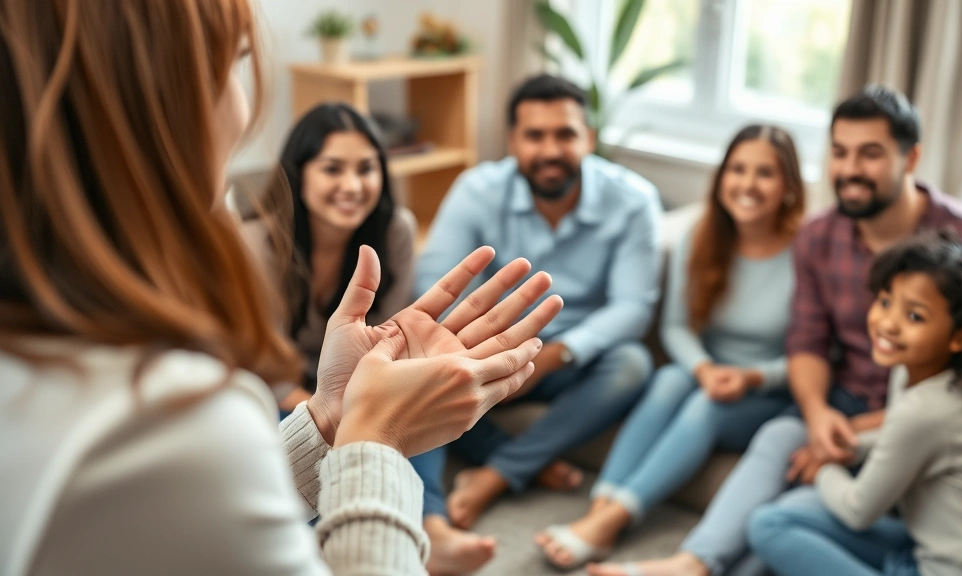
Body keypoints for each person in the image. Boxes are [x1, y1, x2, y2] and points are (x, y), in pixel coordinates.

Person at [0, 1, 564, 575]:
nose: (244, 112)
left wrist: (330, 417)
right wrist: (373, 439)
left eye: (367, 169)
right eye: (234, 64)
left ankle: (445, 510)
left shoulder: (50, 368)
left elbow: (200, 535)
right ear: (157, 106)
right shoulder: (160, 417)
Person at [588, 85, 962, 576]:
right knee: (779, 458)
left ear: (911, 158)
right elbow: (808, 342)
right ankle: (692, 561)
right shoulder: (821, 235)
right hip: (847, 402)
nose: (851, 169)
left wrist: (848, 436)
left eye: (871, 154)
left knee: (783, 519)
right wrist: (819, 418)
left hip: (923, 421)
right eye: (840, 152)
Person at [535, 125, 805, 569]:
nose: (748, 184)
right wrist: (702, 369)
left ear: (789, 188)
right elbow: (677, 326)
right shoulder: (702, 235)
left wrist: (754, 377)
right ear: (721, 177)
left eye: (765, 174)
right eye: (738, 169)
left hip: (768, 391)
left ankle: (612, 521)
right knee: (668, 379)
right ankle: (600, 508)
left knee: (706, 406)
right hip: (708, 373)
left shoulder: (804, 253)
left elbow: (813, 355)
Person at [410, 73, 662, 547]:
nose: (550, 150)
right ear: (512, 142)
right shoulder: (476, 190)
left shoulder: (633, 201)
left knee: (633, 363)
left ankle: (499, 473)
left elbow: (632, 309)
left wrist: (555, 354)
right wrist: (482, 354)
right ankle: (432, 523)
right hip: (482, 352)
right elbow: (435, 289)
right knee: (420, 363)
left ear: (588, 138)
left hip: (569, 360)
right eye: (535, 135)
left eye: (565, 134)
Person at [749, 231, 962, 576]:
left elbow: (857, 510)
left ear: (960, 337)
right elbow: (907, 443)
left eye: (914, 317)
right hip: (928, 548)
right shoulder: (927, 376)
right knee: (784, 515)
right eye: (884, 301)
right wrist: (849, 447)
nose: (887, 324)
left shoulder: (929, 409)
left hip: (959, 569)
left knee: (769, 527)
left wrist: (822, 467)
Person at [239, 102, 416, 412]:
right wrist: (333, 420)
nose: (352, 186)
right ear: (299, 174)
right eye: (332, 169)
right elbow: (264, 366)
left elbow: (388, 345)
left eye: (366, 169)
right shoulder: (254, 243)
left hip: (363, 392)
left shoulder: (396, 231)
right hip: (279, 393)